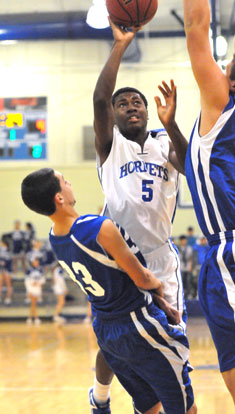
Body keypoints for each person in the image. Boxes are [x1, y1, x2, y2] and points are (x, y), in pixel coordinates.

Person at [21, 167, 197, 414]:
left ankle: (99, 398)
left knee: (149, 404)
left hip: (106, 330)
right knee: (184, 407)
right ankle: (99, 397)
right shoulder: (98, 227)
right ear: (59, 198)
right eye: (64, 181)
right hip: (138, 324)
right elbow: (142, 277)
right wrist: (161, 290)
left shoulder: (55, 237)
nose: (70, 182)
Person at [92, 19, 191, 414]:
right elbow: (99, 99)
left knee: (172, 338)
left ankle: (156, 403)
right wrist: (119, 46)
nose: (131, 106)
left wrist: (172, 124)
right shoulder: (109, 147)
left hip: (160, 258)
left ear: (147, 113)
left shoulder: (164, 143)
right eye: (123, 103)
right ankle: (100, 396)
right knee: (115, 346)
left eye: (137, 102)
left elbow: (189, 166)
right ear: (113, 116)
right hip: (119, 259)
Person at [156, 0, 235, 403]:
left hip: (228, 252)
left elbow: (196, 28)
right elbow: (203, 174)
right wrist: (170, 127)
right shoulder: (220, 121)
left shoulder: (223, 101)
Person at [24, 256, 45, 325]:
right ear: (32, 262)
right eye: (35, 261)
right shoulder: (28, 270)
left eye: (37, 261)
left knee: (33, 304)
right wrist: (31, 284)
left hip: (37, 289)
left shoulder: (40, 269)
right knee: (33, 303)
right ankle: (35, 318)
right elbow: (26, 280)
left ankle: (30, 318)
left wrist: (38, 283)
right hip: (31, 288)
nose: (36, 262)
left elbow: (43, 279)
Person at [177, 235, 194, 300]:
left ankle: (189, 294)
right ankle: (182, 295)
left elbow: (191, 258)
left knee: (188, 281)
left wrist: (191, 267)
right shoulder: (178, 248)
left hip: (188, 267)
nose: (184, 241)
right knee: (181, 281)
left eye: (185, 240)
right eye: (182, 240)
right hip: (181, 267)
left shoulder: (189, 248)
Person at [0, 238, 13, 305]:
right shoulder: (1, 250)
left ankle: (8, 297)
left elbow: (8, 262)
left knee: (8, 284)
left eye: (2, 243)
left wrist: (2, 263)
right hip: (2, 270)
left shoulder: (8, 252)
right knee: (0, 283)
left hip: (7, 270)